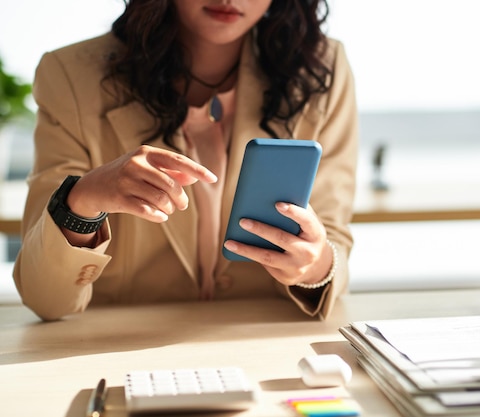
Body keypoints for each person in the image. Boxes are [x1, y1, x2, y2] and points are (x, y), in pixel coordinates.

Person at [13, 0, 358, 321]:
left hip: (258, 343)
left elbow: (333, 243)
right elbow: (45, 300)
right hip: (120, 351)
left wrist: (315, 266)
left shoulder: (322, 68)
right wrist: (82, 201)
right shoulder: (71, 76)